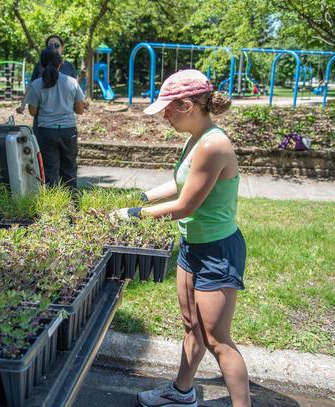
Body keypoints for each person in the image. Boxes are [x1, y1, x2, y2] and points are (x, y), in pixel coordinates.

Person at [113, 70, 251, 407]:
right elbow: (182, 183)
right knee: (192, 326)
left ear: (187, 104)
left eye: (168, 109)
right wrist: (142, 198)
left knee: (218, 340)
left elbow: (187, 203)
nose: (164, 116)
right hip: (193, 247)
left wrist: (132, 215)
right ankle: (182, 391)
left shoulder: (214, 144)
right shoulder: (196, 138)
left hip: (218, 252)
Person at [25, 47, 84, 189]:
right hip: (68, 131)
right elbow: (80, 110)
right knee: (69, 170)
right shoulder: (72, 82)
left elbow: (33, 112)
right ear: (61, 63)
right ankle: (73, 203)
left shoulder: (36, 84)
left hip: (46, 132)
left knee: (50, 172)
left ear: (41, 65)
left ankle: (53, 206)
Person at [16, 35, 78, 115]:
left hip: (64, 117)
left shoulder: (69, 67)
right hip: (42, 117)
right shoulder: (40, 66)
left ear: (62, 48)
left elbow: (75, 88)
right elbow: (32, 86)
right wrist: (23, 105)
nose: (53, 48)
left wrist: (82, 101)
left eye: (56, 45)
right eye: (50, 45)